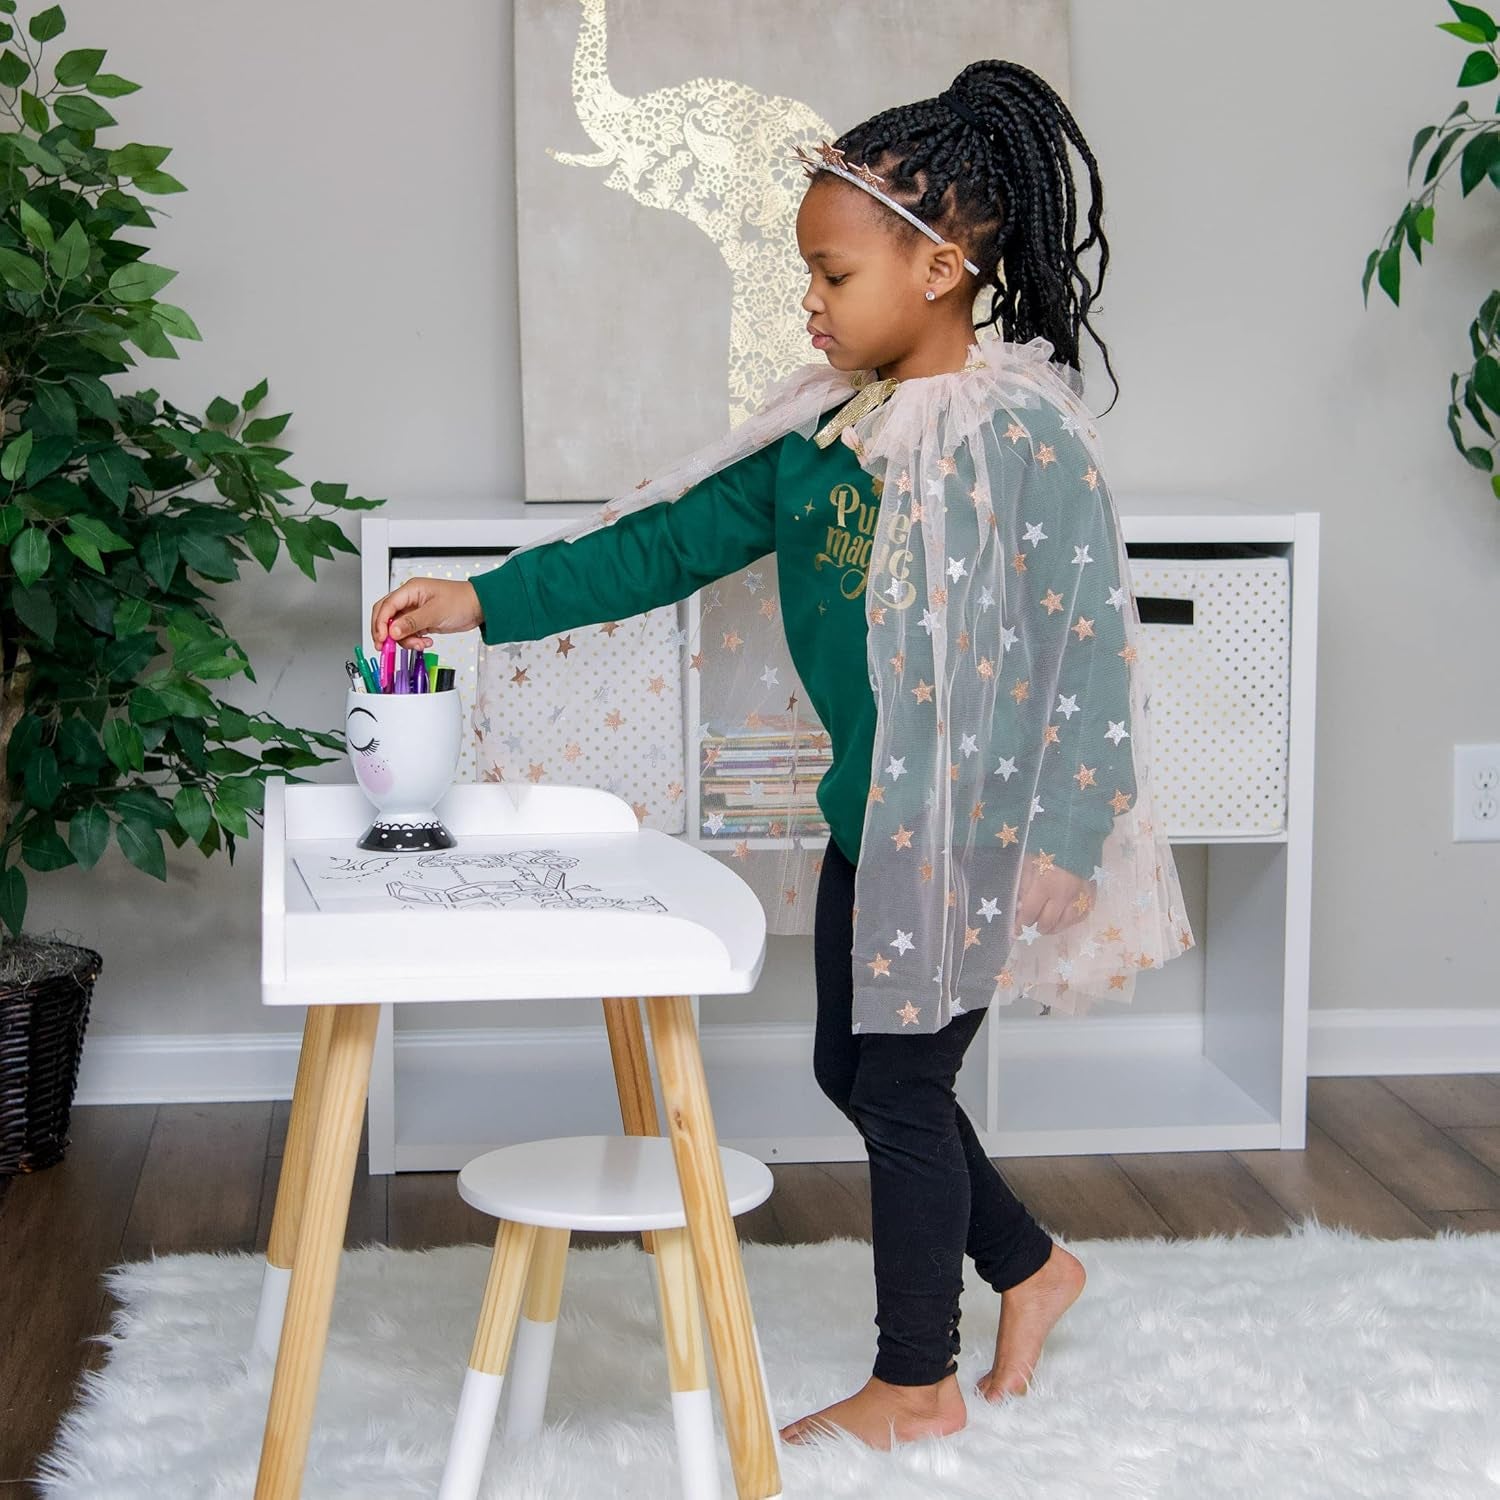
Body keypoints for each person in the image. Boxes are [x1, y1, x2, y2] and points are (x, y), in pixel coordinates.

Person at [370, 59, 1192, 1452]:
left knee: (905, 1087)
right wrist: (482, 601)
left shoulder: (1022, 440)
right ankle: (1035, 1266)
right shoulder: (822, 435)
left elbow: (1095, 651)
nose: (807, 303)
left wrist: (1064, 834)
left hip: (984, 827)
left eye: (829, 273)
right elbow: (666, 543)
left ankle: (917, 1380)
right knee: (853, 1073)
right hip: (875, 819)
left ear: (938, 269)